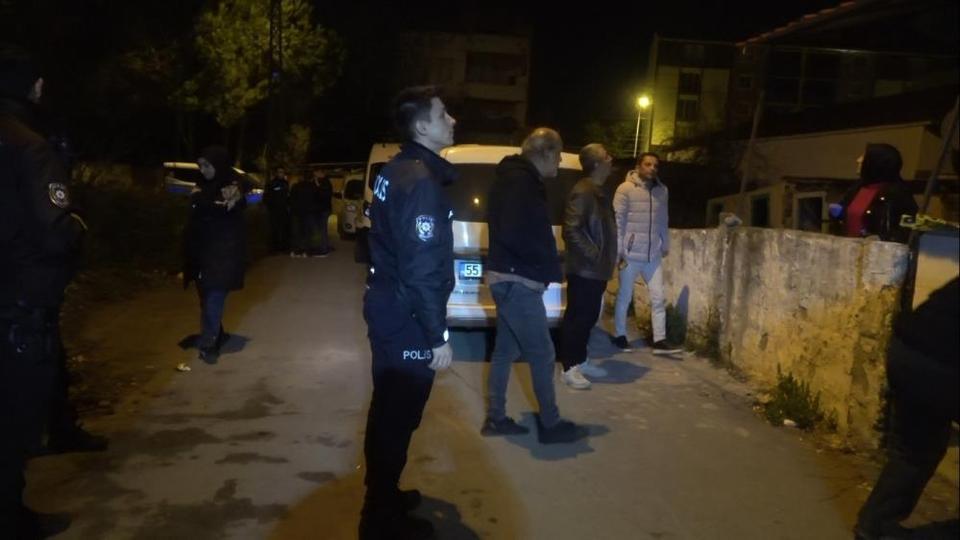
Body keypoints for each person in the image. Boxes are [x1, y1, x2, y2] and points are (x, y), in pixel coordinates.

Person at [359, 85, 456, 540]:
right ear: (422, 126)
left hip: (388, 303)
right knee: (398, 417)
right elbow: (421, 269)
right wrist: (437, 336)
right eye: (443, 114)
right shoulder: (420, 182)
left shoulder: (396, 169)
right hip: (406, 315)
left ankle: (383, 496)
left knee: (387, 411)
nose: (452, 120)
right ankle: (380, 518)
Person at [1, 44, 86, 537]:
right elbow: (54, 231)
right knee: (15, 417)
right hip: (20, 304)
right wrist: (77, 228)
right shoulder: (31, 147)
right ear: (32, 86)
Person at [483, 127, 589, 444]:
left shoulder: (516, 178)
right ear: (545, 152)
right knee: (542, 354)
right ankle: (551, 425)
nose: (559, 162)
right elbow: (516, 232)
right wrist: (545, 261)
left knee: (505, 351)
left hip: (509, 277)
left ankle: (496, 418)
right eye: (558, 155)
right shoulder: (521, 182)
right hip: (518, 280)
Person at [854, 277, 959, 540]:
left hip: (907, 350)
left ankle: (874, 526)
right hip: (941, 363)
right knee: (918, 449)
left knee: (915, 451)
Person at [558, 143, 618, 390]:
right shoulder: (584, 191)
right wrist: (594, 255)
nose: (611, 159)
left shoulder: (597, 190)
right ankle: (569, 367)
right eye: (607, 156)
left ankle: (580, 360)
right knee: (578, 318)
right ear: (597, 163)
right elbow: (571, 229)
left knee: (588, 317)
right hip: (585, 269)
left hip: (595, 269)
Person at [181, 145, 247, 364]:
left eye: (207, 165)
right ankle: (216, 333)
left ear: (218, 165)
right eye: (200, 165)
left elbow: (222, 208)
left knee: (213, 298)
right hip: (202, 253)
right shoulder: (202, 185)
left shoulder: (231, 186)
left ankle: (209, 343)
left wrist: (200, 200)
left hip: (223, 254)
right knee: (205, 297)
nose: (203, 170)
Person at [611, 152, 682, 355]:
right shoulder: (625, 188)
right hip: (630, 255)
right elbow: (618, 222)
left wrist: (664, 243)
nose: (652, 168)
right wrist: (619, 251)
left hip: (653, 255)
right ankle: (620, 336)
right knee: (625, 296)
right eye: (648, 164)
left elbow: (663, 219)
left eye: (655, 166)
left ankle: (659, 340)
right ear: (638, 166)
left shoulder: (662, 191)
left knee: (658, 297)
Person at [829, 143, 918, 243]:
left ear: (876, 162)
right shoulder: (858, 187)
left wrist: (884, 238)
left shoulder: (898, 193)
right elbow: (848, 216)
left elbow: (911, 226)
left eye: (864, 157)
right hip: (850, 248)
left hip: (878, 251)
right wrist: (840, 213)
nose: (858, 160)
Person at [289, 171, 326, 257]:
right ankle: (307, 251)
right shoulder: (313, 187)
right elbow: (320, 197)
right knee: (309, 232)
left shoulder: (296, 186)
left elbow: (291, 199)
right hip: (309, 212)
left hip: (297, 212)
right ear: (312, 178)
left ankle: (297, 250)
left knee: (298, 232)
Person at [263, 167, 290, 253]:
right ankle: (275, 247)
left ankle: (284, 246)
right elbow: (266, 197)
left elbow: (287, 195)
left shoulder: (285, 183)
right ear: (276, 173)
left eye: (282, 172)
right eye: (279, 172)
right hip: (274, 210)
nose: (281, 174)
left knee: (284, 228)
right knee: (274, 228)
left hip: (284, 209)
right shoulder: (271, 183)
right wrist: (270, 207)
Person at [314, 169, 334, 255]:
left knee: (322, 229)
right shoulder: (325, 182)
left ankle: (324, 248)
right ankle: (325, 246)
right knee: (323, 229)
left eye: (316, 173)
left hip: (323, 209)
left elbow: (323, 194)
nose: (315, 175)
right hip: (324, 208)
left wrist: (317, 185)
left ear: (321, 173)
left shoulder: (325, 183)